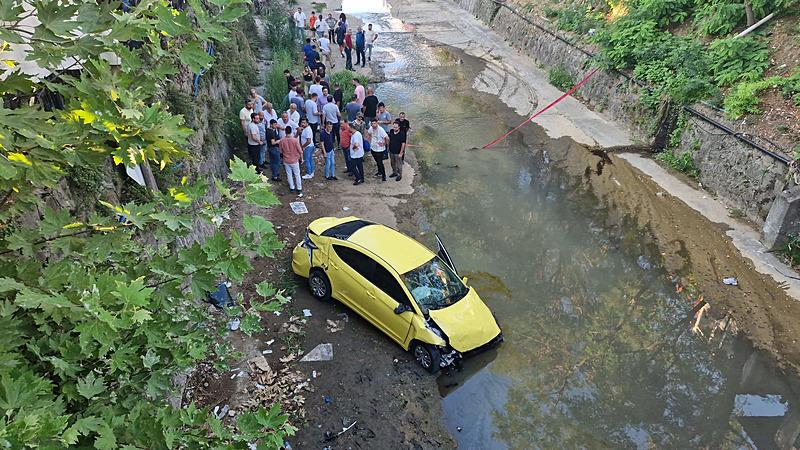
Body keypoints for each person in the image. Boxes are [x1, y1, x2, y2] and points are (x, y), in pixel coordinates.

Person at [279, 126, 304, 197]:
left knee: (289, 174)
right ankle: (299, 188)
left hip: (286, 160)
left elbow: (281, 151)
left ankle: (292, 187)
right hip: (295, 160)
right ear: (291, 131)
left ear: (285, 131)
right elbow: (300, 151)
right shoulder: (295, 140)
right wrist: (301, 159)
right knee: (297, 174)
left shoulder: (282, 141)